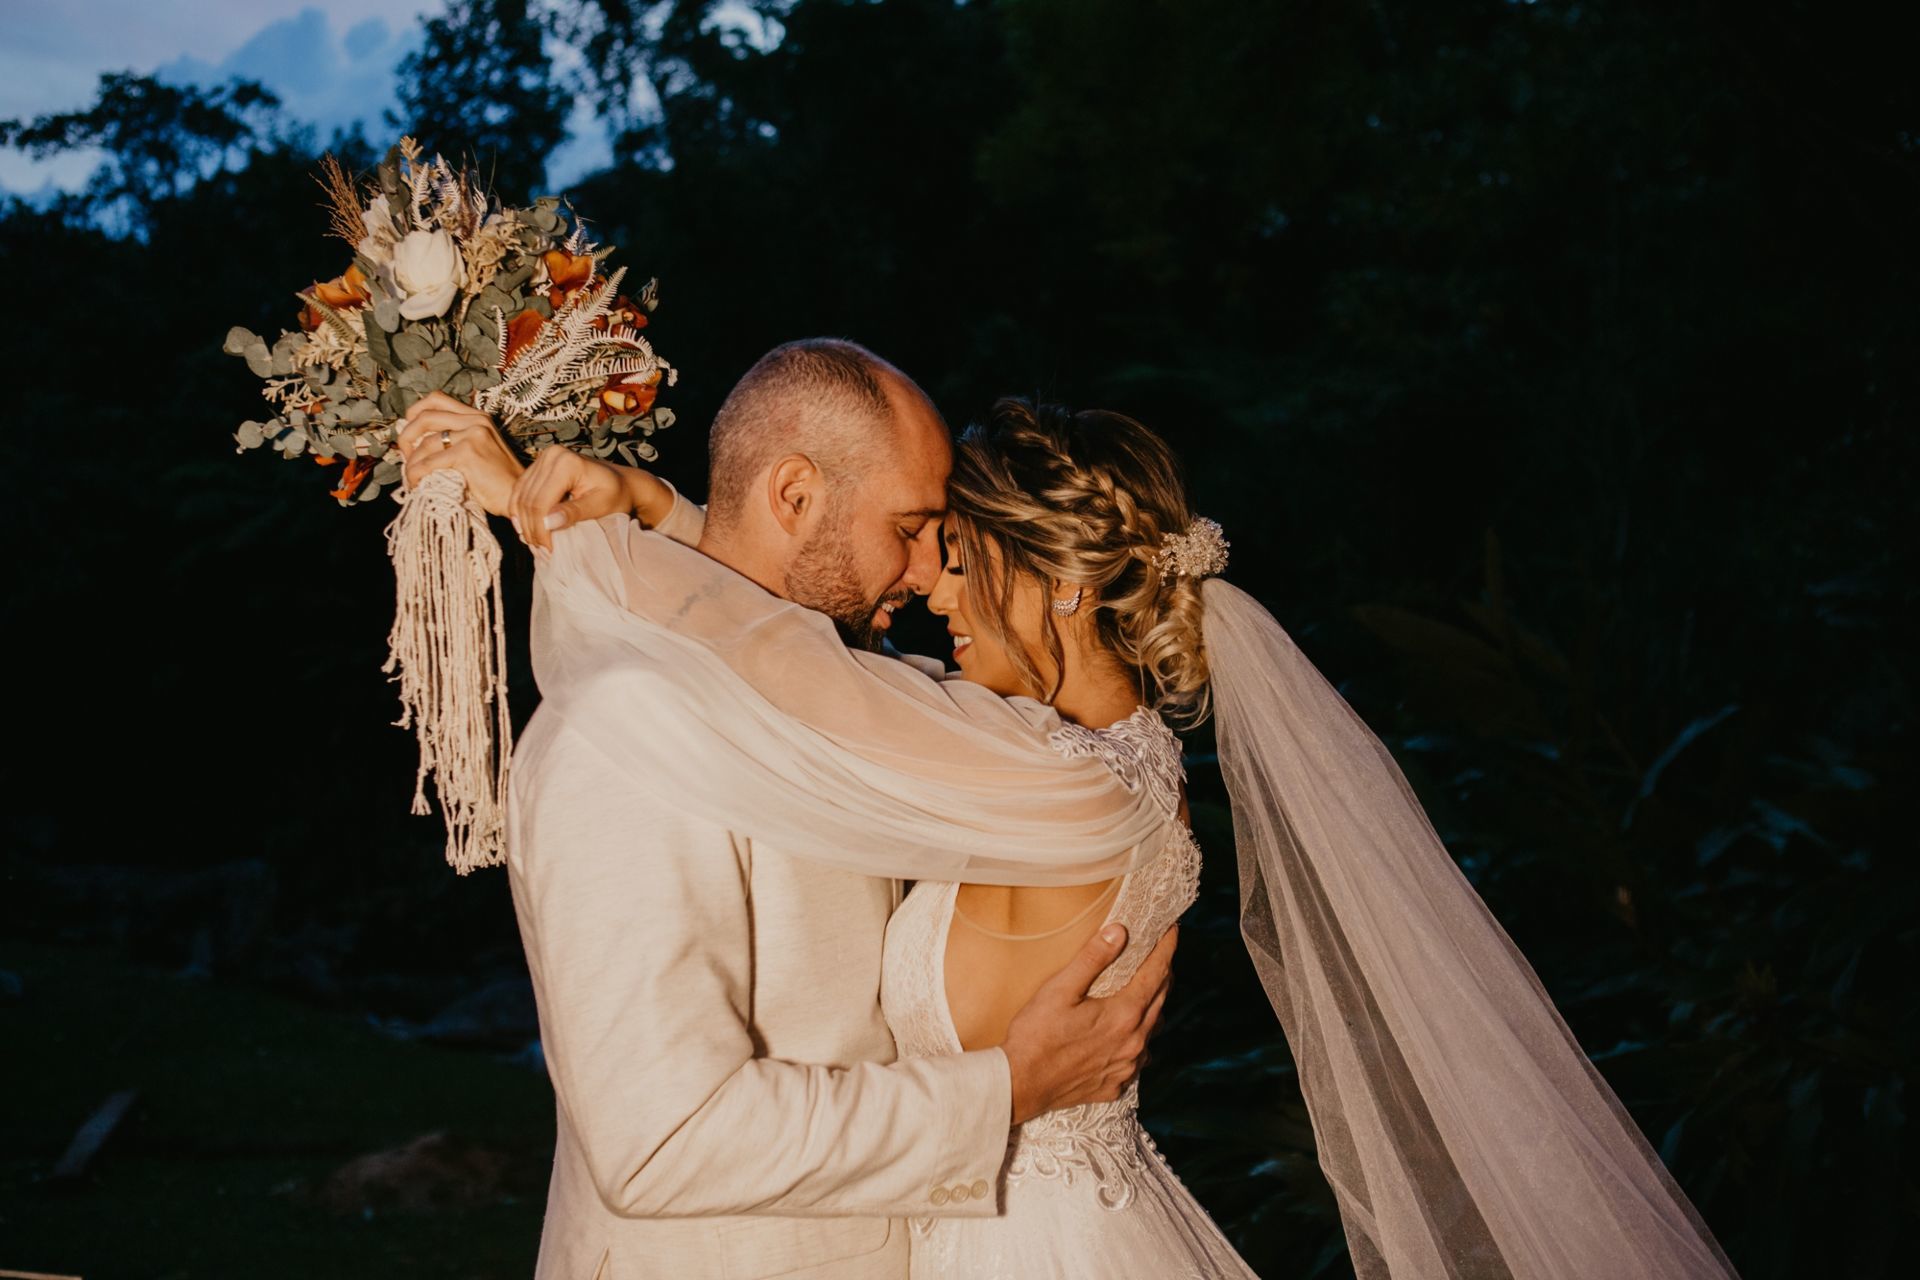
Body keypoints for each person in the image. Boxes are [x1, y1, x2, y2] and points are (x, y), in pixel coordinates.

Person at [430, 384, 1746, 1280]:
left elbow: (800, 684)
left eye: (948, 548)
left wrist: (582, 526)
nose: (921, 584)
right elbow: (784, 676)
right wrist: (645, 514)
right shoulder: (1044, 753)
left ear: (1050, 577)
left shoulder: (1060, 781)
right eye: (915, 535)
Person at [399, 342, 1181, 1280]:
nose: (929, 572)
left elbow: (763, 638)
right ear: (796, 496)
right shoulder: (621, 737)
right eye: (913, 526)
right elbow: (665, 1139)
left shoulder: (853, 699)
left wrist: (646, 512)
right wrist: (1005, 1091)